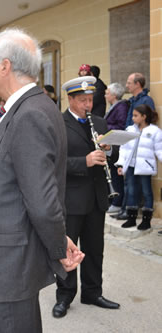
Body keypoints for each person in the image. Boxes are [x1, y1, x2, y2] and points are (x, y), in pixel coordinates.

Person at [0, 28, 84, 332]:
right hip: (9, 260)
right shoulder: (28, 107)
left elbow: (42, 201)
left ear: (5, 66)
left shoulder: (29, 114)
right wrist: (60, 239)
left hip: (7, 265)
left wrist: (58, 248)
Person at [53, 75, 120, 319]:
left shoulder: (100, 123)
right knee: (68, 251)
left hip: (96, 197)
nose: (87, 105)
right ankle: (64, 296)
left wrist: (109, 150)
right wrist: (85, 161)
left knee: (94, 249)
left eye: (90, 100)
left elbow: (112, 153)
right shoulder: (58, 124)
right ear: (70, 99)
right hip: (71, 199)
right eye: (82, 100)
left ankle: (92, 292)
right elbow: (54, 162)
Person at [116, 104, 162, 230]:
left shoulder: (155, 132)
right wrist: (120, 164)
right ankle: (131, 218)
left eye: (136, 116)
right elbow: (123, 148)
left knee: (147, 192)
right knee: (131, 191)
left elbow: (159, 150)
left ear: (144, 117)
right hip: (131, 166)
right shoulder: (130, 130)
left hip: (145, 167)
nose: (132, 118)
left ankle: (146, 220)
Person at [104, 83, 129, 215]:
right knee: (113, 174)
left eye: (107, 93)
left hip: (117, 145)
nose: (105, 95)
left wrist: (104, 125)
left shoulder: (121, 107)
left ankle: (118, 202)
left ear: (113, 95)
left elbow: (121, 125)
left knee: (116, 174)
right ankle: (115, 201)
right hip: (113, 144)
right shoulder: (114, 106)